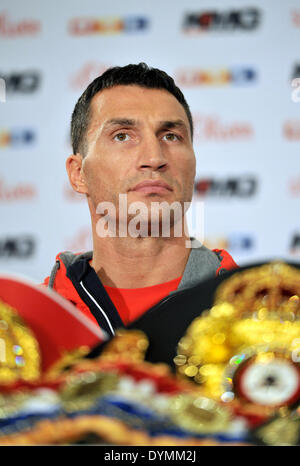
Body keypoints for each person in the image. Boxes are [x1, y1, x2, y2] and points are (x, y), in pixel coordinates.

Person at [42, 63, 237, 338]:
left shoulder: (255, 311)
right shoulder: (31, 326)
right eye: (122, 136)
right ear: (78, 174)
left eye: (171, 136)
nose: (154, 158)